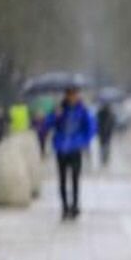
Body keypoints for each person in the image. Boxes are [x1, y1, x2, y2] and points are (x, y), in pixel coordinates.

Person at [43, 87, 97, 220]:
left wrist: (83, 141)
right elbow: (47, 125)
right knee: (62, 179)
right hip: (61, 148)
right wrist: (55, 116)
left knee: (75, 179)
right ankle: (65, 207)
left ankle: (75, 205)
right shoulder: (59, 109)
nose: (72, 97)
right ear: (66, 96)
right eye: (70, 94)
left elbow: (90, 127)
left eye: (74, 94)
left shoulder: (82, 110)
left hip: (75, 149)